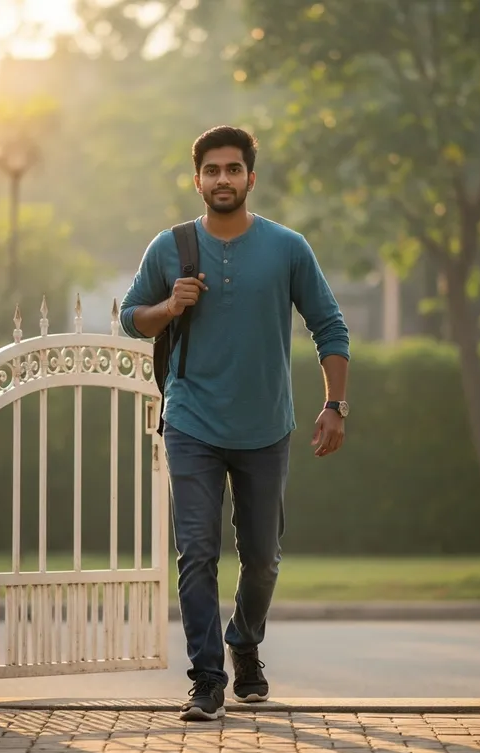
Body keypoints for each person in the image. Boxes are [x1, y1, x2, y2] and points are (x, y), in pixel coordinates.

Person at [119, 125, 350, 721]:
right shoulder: (168, 247)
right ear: (197, 179)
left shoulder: (287, 248)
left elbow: (330, 327)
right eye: (212, 170)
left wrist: (334, 405)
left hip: (266, 427)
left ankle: (244, 642)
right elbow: (130, 319)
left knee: (263, 557)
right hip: (191, 420)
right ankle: (207, 678)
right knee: (196, 551)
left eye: (233, 169)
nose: (223, 179)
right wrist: (169, 307)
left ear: (250, 176)